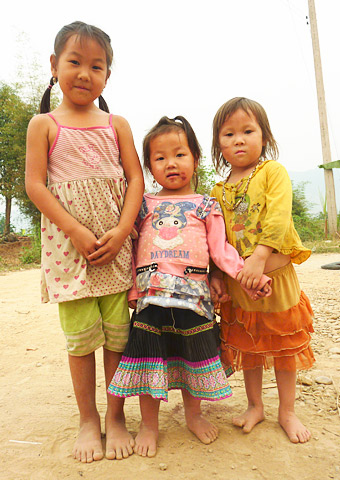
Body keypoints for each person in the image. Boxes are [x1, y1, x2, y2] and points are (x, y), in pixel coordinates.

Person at [107, 115, 271, 458]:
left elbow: (221, 250)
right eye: (160, 157)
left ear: (195, 158)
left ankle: (193, 415)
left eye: (180, 154)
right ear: (150, 167)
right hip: (151, 298)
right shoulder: (143, 205)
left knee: (193, 360)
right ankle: (150, 424)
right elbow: (128, 240)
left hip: (194, 301)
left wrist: (246, 277)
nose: (171, 164)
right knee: (150, 362)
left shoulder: (205, 205)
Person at [25, 21, 144, 463]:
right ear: (55, 66)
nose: (84, 73)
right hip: (70, 253)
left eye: (96, 65)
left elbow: (135, 178)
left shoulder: (117, 124)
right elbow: (35, 185)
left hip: (114, 252)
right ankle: (88, 420)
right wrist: (75, 230)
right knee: (80, 343)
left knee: (117, 339)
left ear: (107, 76)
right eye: (74, 61)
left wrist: (122, 229)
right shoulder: (44, 124)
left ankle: (116, 417)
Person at [209, 97, 315, 444]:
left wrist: (259, 258)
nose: (238, 139)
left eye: (247, 131)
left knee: (284, 347)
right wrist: (218, 276)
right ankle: (255, 405)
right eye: (228, 134)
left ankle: (287, 411)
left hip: (276, 276)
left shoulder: (272, 172)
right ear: (218, 145)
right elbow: (218, 239)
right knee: (249, 347)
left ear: (264, 137)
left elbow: (278, 215)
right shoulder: (219, 190)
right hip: (241, 284)